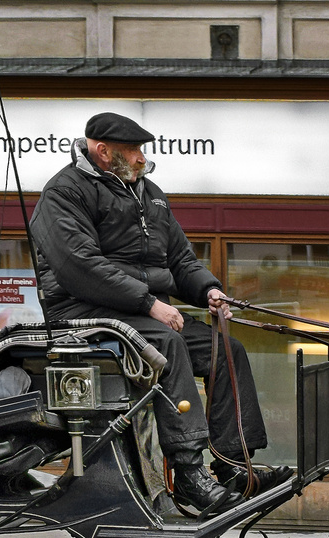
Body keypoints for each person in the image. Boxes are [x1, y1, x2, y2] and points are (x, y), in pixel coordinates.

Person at [30, 112, 286, 516]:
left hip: (139, 312)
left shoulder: (150, 193)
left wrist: (209, 290)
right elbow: (80, 267)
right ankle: (189, 473)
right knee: (167, 344)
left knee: (225, 349)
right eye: (132, 150)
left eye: (141, 150)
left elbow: (181, 259)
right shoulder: (63, 193)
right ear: (103, 151)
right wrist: (148, 303)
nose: (140, 158)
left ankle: (235, 464)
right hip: (83, 312)